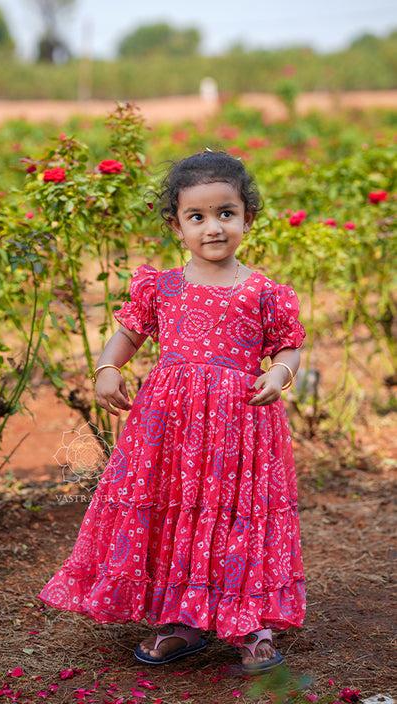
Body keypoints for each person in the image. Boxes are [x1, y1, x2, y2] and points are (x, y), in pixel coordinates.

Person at [37, 150, 307, 676]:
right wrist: (107, 370)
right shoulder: (161, 287)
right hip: (171, 429)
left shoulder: (264, 291)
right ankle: (180, 620)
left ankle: (251, 622)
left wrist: (278, 374)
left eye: (226, 213)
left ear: (247, 218)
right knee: (176, 515)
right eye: (197, 217)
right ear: (176, 224)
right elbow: (127, 335)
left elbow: (288, 346)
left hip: (241, 428)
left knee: (235, 515)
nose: (213, 227)